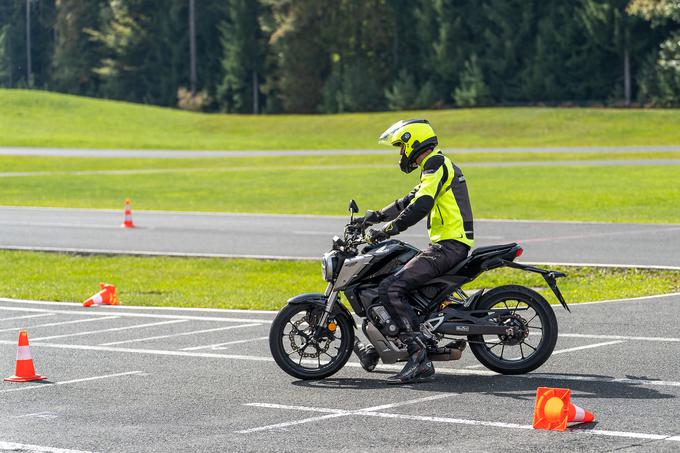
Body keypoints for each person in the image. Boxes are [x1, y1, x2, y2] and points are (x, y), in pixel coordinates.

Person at [354, 119, 475, 384]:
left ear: (413, 142)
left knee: (390, 288)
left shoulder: (435, 164)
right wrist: (370, 219)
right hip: (446, 245)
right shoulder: (432, 168)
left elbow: (421, 204)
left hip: (449, 246)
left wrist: (389, 229)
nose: (400, 153)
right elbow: (406, 201)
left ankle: (419, 357)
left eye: (401, 146)